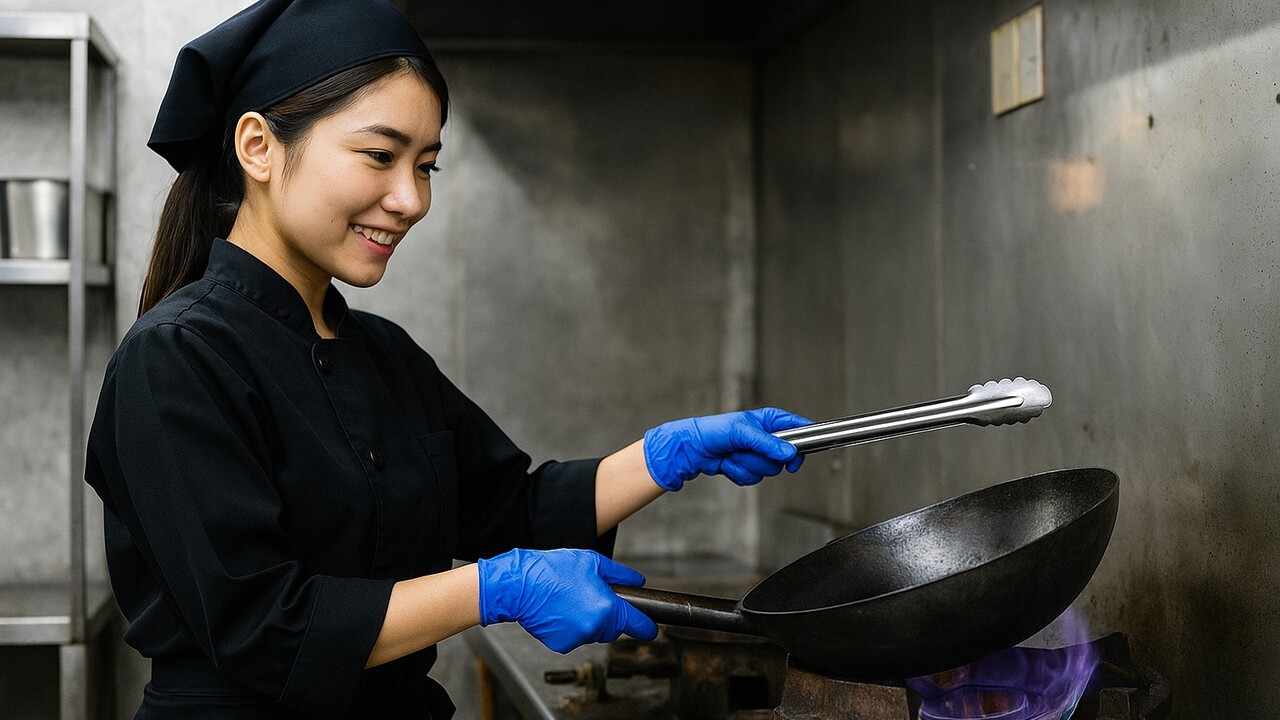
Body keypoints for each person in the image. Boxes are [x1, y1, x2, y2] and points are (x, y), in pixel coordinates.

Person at [84, 1, 808, 718]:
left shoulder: (384, 355)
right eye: (380, 155)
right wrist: (498, 589)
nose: (410, 199)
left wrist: (670, 454)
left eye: (425, 165)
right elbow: (266, 627)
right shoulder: (176, 359)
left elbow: (513, 511)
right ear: (258, 147)